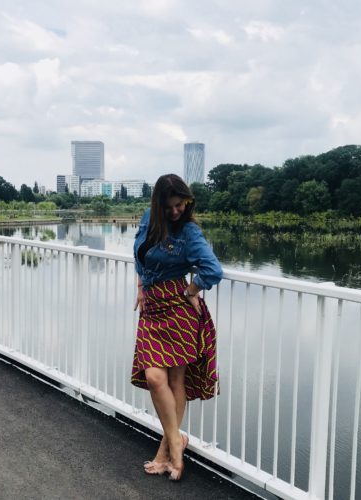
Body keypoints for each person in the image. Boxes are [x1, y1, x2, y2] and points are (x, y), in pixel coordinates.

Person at [131, 174, 223, 481]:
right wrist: (141, 286)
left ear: (187, 202)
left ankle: (166, 451)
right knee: (154, 377)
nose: (175, 212)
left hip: (178, 308)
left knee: (174, 380)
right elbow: (139, 256)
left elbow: (213, 270)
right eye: (169, 206)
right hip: (152, 308)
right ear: (158, 205)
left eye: (180, 205)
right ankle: (176, 441)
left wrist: (191, 290)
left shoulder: (189, 231)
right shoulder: (148, 219)